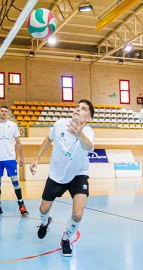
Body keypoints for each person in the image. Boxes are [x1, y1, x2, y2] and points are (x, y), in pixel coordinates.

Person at [30, 99, 95, 257]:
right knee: (43, 209)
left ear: (88, 118)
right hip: (57, 175)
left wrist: (79, 134)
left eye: (84, 109)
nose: (78, 109)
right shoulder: (59, 124)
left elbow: (89, 146)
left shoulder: (88, 132)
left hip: (78, 174)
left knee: (77, 214)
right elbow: (48, 139)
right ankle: (45, 222)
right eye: (77, 106)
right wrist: (36, 158)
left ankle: (66, 239)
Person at [0, 106, 28, 216]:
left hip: (10, 158)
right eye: (2, 111)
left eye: (5, 111)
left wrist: (22, 157)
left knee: (15, 182)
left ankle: (21, 206)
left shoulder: (13, 125)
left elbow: (18, 142)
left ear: (7, 113)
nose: (3, 113)